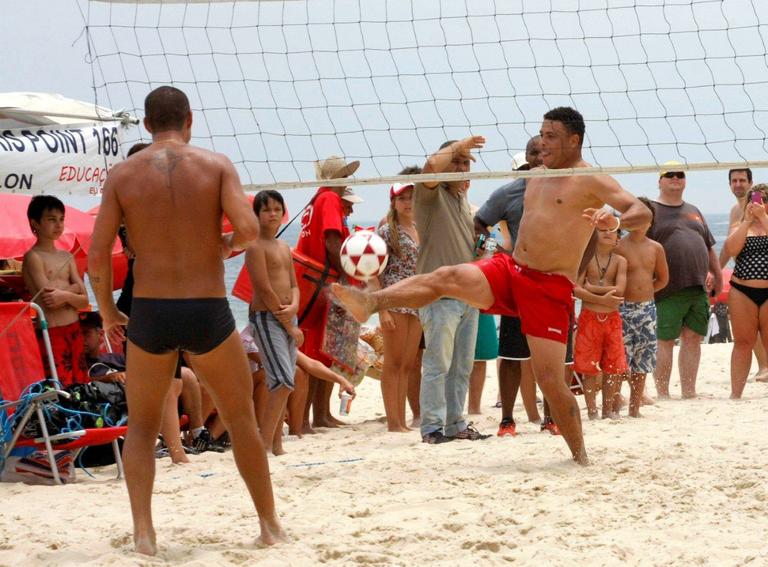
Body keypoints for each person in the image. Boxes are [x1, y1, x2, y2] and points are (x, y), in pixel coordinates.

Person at [332, 107, 652, 465]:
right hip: (513, 269)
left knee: (551, 381)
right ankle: (371, 301)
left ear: (574, 140)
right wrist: (458, 151)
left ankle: (580, 458)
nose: (543, 143)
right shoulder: (537, 176)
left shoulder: (592, 180)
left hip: (549, 287)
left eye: (551, 137)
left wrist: (615, 219)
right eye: (541, 135)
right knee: (446, 277)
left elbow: (642, 211)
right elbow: (446, 186)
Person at [88, 85, 286, 554]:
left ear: (147, 122)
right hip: (207, 308)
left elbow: (98, 255)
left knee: (140, 427)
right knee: (240, 420)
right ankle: (269, 525)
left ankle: (145, 534)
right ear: (189, 119)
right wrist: (224, 247)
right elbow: (249, 229)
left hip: (151, 310)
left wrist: (107, 309)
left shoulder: (122, 174)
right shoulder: (215, 165)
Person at [406, 136, 489, 444]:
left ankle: (456, 424)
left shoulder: (464, 202)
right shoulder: (430, 194)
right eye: (456, 161)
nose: (462, 168)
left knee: (462, 367)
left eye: (465, 163)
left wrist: (479, 253)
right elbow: (430, 166)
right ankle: (431, 428)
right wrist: (461, 144)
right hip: (440, 296)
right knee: (438, 365)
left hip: (468, 296)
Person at [647, 162, 723, 399]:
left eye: (680, 175)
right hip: (665, 287)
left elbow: (709, 247)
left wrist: (718, 275)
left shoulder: (694, 210)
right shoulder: (650, 209)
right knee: (665, 340)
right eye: (669, 175)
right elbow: (639, 246)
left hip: (697, 286)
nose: (675, 178)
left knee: (693, 338)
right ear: (659, 181)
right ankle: (662, 393)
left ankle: (689, 391)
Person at [294, 155, 359, 432]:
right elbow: (332, 241)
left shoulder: (315, 200)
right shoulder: (329, 198)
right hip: (324, 282)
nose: (347, 183)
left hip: (314, 282)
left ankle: (322, 414)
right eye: (344, 177)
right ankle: (307, 418)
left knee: (326, 352)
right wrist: (344, 280)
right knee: (317, 353)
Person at [80, 311, 193, 464]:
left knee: (188, 377)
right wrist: (110, 377)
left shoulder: (115, 358)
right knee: (182, 377)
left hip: (148, 397)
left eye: (86, 333)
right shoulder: (80, 365)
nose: (81, 339)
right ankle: (183, 440)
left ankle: (197, 435)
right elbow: (82, 385)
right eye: (78, 334)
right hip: (122, 406)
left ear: (101, 334)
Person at [244, 190, 303, 456]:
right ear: (257, 214)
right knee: (282, 381)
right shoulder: (255, 247)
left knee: (284, 383)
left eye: (277, 209)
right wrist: (289, 324)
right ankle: (264, 445)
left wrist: (293, 308)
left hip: (287, 316)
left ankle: (277, 444)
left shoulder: (283, 247)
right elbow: (263, 289)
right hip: (267, 318)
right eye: (267, 209)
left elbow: (294, 284)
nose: (273, 214)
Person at [22, 195, 89, 386]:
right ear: (35, 223)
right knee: (61, 388)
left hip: (74, 329)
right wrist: (74, 289)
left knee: (82, 386)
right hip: (52, 332)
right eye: (51, 219)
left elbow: (84, 301)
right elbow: (50, 300)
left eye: (61, 219)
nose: (58, 225)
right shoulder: (33, 257)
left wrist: (65, 295)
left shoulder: (67, 256)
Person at [371, 181, 421, 432]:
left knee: (408, 364)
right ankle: (393, 422)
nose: (408, 203)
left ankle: (401, 419)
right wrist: (381, 309)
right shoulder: (386, 230)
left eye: (412, 197)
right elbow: (370, 270)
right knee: (393, 362)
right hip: (394, 298)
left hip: (416, 300)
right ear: (393, 202)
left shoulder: (418, 227)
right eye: (402, 198)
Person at [615, 197, 669, 417]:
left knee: (643, 357)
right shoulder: (618, 247)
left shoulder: (655, 248)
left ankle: (635, 407)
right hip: (623, 308)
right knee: (621, 358)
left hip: (647, 308)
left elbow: (663, 279)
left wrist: (646, 292)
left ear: (650, 221)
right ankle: (615, 400)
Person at [573, 227, 628, 420]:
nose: (606, 233)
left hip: (611, 319)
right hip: (589, 318)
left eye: (611, 231)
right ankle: (592, 411)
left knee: (612, 367)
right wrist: (603, 297)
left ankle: (608, 410)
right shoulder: (586, 259)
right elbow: (576, 289)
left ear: (617, 238)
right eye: (602, 230)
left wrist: (592, 288)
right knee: (589, 368)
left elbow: (620, 290)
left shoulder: (620, 261)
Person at [719, 168, 768, 381]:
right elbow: (729, 247)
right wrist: (716, 269)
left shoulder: (761, 209)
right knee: (748, 333)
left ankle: (764, 365)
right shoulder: (735, 212)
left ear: (750, 183)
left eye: (742, 180)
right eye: (734, 181)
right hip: (744, 278)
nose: (738, 184)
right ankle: (763, 366)